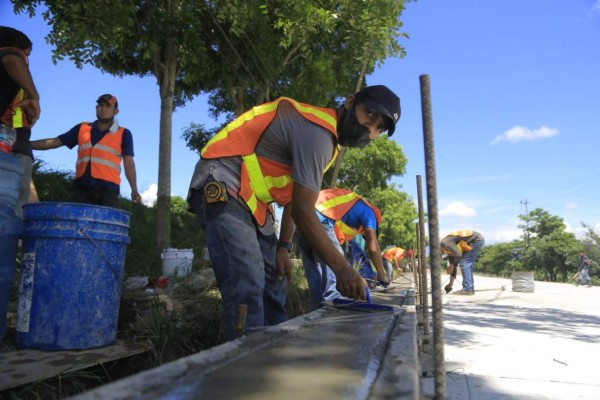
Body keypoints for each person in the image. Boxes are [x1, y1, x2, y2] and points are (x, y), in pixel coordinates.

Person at [186, 85, 401, 340]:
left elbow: (294, 199)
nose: (369, 129)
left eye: (379, 128)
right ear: (350, 102)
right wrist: (343, 269)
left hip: (252, 199)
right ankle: (246, 362)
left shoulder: (329, 144)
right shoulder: (318, 134)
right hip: (222, 178)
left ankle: (276, 348)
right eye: (369, 114)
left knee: (276, 279)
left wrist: (283, 247)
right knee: (247, 280)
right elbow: (302, 211)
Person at [31, 94, 141, 207]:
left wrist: (134, 190)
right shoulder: (82, 128)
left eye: (108, 106)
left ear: (116, 111)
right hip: (82, 187)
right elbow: (55, 142)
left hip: (108, 189)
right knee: (79, 223)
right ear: (96, 108)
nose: (103, 108)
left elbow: (129, 164)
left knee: (103, 223)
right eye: (100, 105)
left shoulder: (124, 133)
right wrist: (27, 144)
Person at [295, 188, 390, 308]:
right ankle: (334, 313)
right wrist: (382, 274)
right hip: (319, 218)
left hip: (302, 217)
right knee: (334, 273)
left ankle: (319, 312)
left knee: (315, 277)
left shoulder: (350, 211)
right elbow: (373, 244)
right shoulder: (370, 212)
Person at [0, 26, 41, 218]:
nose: (27, 61)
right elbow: (11, 59)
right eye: (27, 54)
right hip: (9, 149)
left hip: (17, 144)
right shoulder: (10, 55)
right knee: (10, 214)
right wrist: (34, 96)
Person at [441, 229, 485, 295]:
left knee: (465, 262)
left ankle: (467, 289)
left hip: (476, 239)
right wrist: (450, 284)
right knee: (466, 263)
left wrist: (452, 266)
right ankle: (470, 288)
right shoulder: (448, 250)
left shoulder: (445, 243)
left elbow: (458, 256)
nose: (441, 255)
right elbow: (454, 267)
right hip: (473, 240)